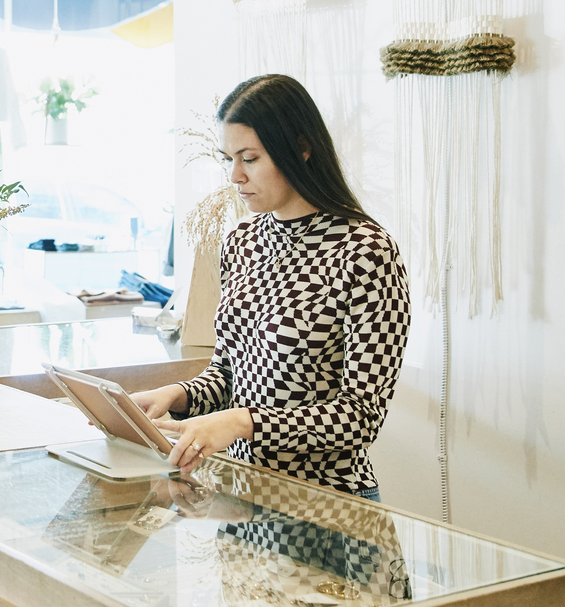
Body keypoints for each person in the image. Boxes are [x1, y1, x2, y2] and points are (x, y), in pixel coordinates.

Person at [131, 74, 409, 502]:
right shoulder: (241, 242)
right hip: (239, 497)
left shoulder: (366, 252)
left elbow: (360, 417)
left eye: (250, 158)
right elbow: (230, 374)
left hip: (326, 504)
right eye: (229, 158)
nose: (234, 176)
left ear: (300, 148)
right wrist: (178, 394)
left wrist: (243, 422)